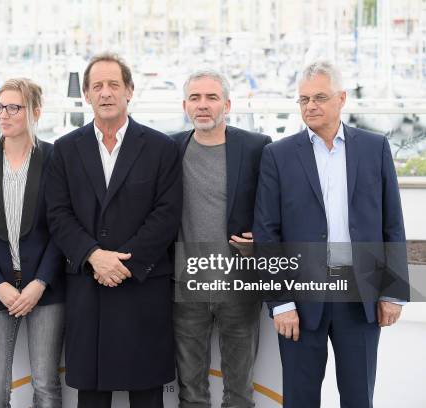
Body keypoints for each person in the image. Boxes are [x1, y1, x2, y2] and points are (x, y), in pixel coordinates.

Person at [253, 60, 409, 407]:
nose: (310, 106)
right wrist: (280, 303)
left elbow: (392, 224)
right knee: (300, 399)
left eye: (320, 97)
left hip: (360, 295)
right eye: (304, 99)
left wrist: (393, 292)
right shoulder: (277, 156)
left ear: (341, 99)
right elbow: (267, 234)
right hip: (301, 298)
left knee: (358, 397)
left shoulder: (374, 147)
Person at [45, 52, 182, 408]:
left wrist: (123, 265)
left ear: (129, 91)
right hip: (88, 289)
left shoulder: (160, 147)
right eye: (97, 86)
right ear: (86, 95)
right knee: (91, 395)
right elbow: (57, 213)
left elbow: (166, 215)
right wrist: (93, 256)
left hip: (141, 286)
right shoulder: (64, 149)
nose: (105, 93)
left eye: (113, 85)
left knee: (147, 394)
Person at [171, 71, 271, 408]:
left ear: (227, 104)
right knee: (191, 391)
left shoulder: (257, 147)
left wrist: (261, 239)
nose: (203, 105)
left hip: (240, 286)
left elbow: (272, 205)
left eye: (211, 98)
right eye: (195, 98)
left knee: (240, 392)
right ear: (185, 106)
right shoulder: (170, 148)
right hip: (187, 286)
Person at [0, 78, 65, 407]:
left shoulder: (54, 158)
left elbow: (60, 227)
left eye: (14, 108)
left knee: (46, 386)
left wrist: (40, 282)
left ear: (35, 112)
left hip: (45, 290)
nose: (4, 115)